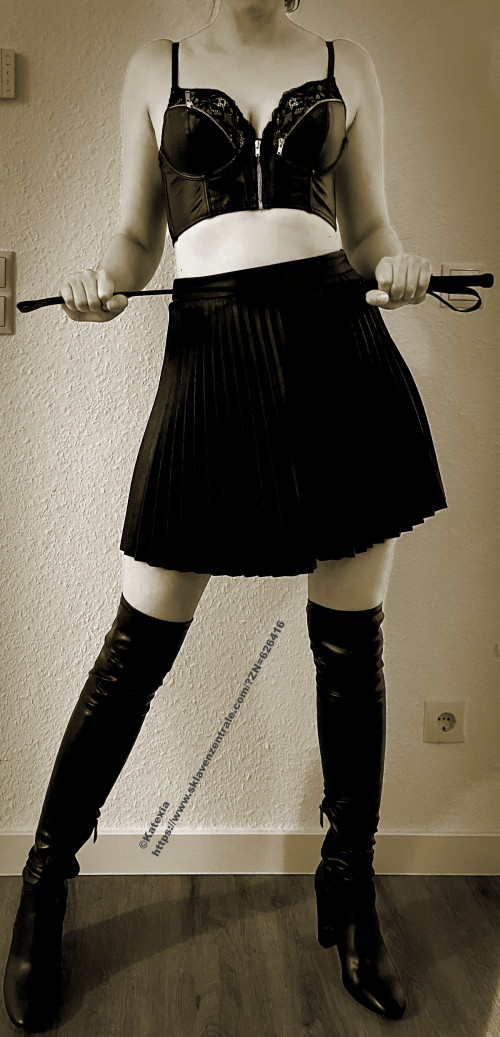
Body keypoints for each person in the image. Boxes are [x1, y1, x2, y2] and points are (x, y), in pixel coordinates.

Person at [3, 0, 448, 1028]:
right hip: (209, 361)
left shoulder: (345, 59)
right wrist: (105, 283)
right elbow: (135, 235)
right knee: (135, 647)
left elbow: (368, 227)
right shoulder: (153, 63)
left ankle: (349, 886)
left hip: (338, 359)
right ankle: (45, 881)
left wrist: (397, 268)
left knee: (350, 648)